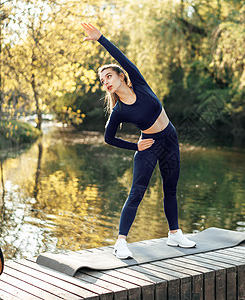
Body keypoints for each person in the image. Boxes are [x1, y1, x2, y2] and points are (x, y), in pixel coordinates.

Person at [81, 22, 196, 259]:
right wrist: (136, 146)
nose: (107, 82)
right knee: (136, 193)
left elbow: (121, 57)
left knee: (170, 188)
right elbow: (108, 138)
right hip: (150, 145)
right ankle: (121, 242)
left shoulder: (140, 84)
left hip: (171, 139)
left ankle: (174, 234)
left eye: (109, 76)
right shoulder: (119, 111)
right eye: (103, 81)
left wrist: (101, 38)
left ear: (122, 76)